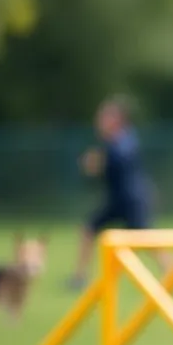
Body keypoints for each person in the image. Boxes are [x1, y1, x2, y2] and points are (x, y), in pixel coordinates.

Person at [70, 95, 160, 288]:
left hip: (132, 200)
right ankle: (79, 277)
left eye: (104, 118)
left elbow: (119, 160)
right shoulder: (112, 143)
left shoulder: (125, 140)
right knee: (88, 229)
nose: (99, 122)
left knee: (145, 241)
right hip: (117, 199)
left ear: (117, 120)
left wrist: (98, 162)